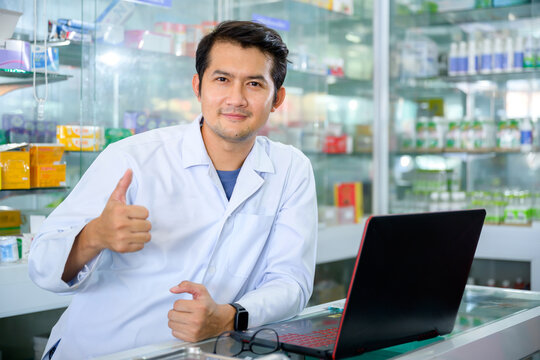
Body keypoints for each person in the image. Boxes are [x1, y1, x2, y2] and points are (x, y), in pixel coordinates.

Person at [28, 20, 317, 359]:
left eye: (254, 83)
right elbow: (42, 267)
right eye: (222, 79)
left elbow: (291, 282)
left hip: (208, 351)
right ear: (198, 86)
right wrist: (94, 236)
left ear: (277, 98)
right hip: (104, 350)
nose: (236, 99)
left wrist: (229, 316)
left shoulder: (290, 168)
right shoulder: (132, 157)